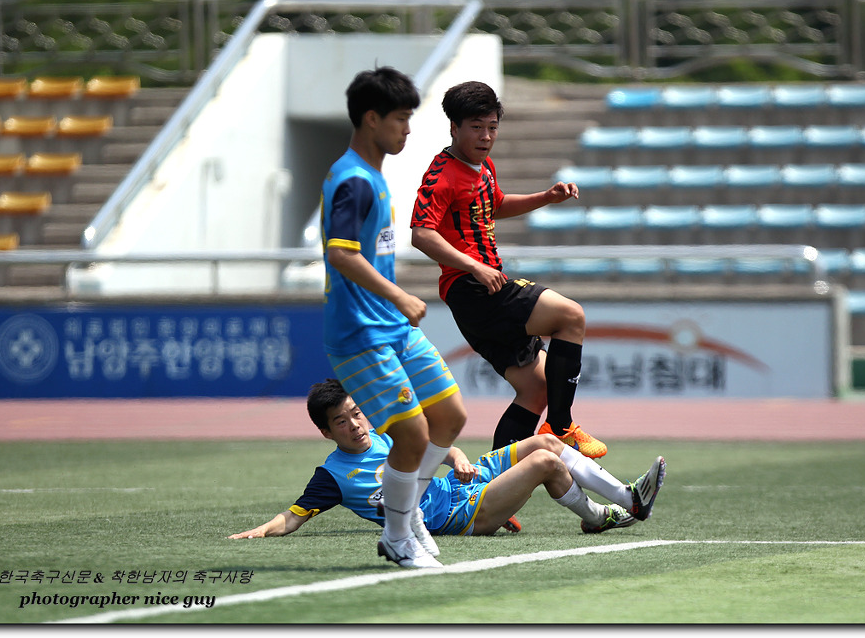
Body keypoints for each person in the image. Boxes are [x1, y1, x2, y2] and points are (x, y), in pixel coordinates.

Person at [319, 67, 467, 569]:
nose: (407, 129)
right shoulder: (354, 181)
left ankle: (403, 509)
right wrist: (400, 295)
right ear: (371, 118)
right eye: (401, 119)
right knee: (412, 434)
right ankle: (398, 535)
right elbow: (341, 254)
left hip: (391, 327)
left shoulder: (373, 175)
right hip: (360, 333)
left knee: (450, 417)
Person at [411, 80, 605, 458]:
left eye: (492, 127)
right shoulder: (441, 175)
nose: (486, 136)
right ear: (453, 127)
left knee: (536, 390)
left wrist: (546, 197)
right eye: (476, 127)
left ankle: (493, 485)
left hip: (484, 288)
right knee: (570, 316)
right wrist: (474, 266)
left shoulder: (483, 167)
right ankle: (561, 426)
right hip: (473, 288)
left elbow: (495, 204)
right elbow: (421, 234)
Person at [228, 379, 665, 544]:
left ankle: (624, 500)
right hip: (457, 516)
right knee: (544, 465)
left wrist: (457, 458)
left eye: (356, 414)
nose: (355, 425)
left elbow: (442, 447)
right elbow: (293, 516)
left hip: (461, 484)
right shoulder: (332, 477)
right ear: (326, 433)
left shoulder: (386, 434)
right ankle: (604, 513)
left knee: (545, 443)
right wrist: (260, 530)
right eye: (341, 422)